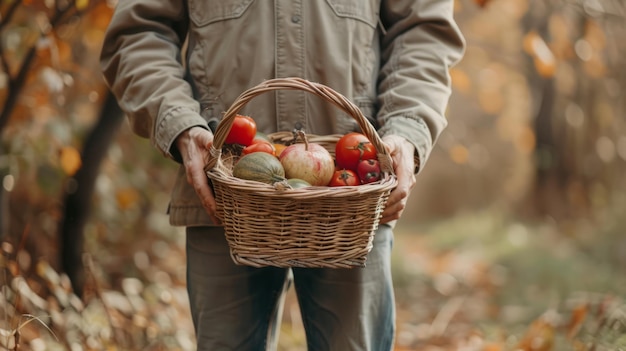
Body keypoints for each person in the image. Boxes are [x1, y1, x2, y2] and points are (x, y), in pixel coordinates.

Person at [100, 1, 464, 350]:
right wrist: (180, 124)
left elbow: (423, 31)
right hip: (225, 190)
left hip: (353, 197)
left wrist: (405, 129)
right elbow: (137, 33)